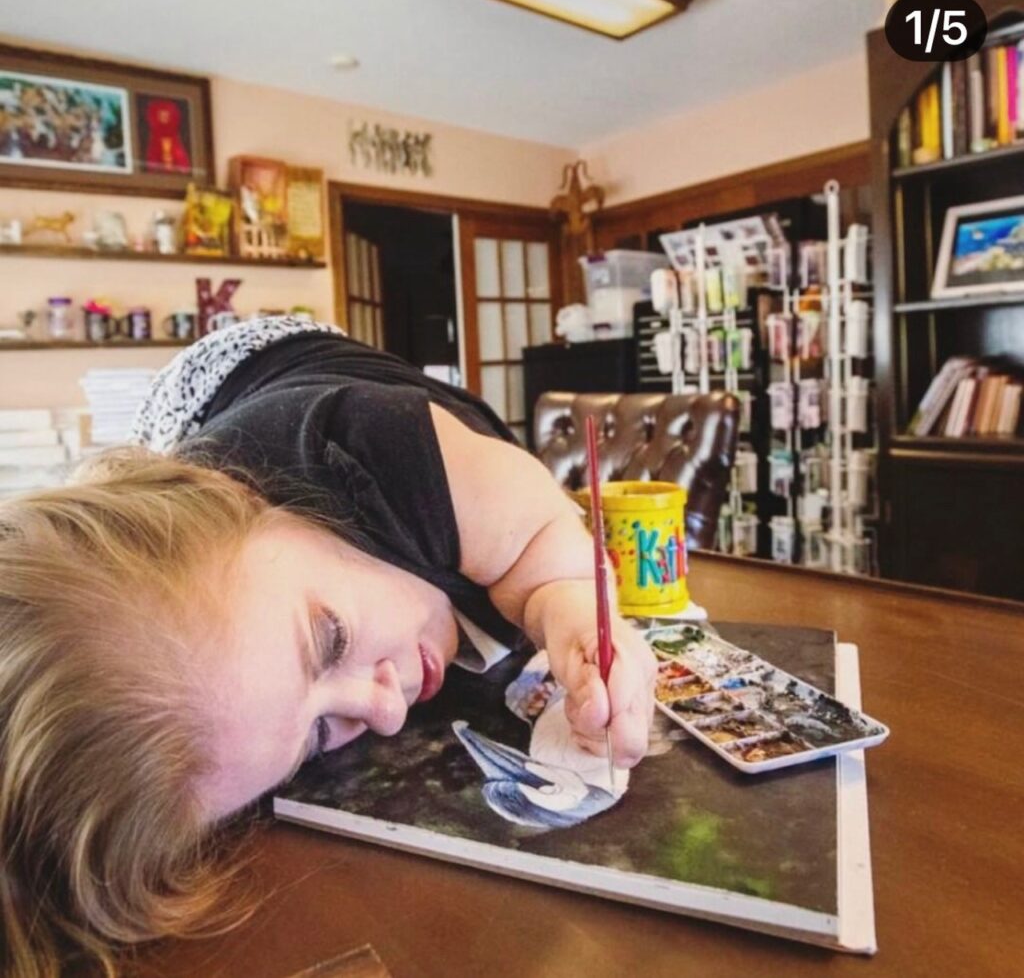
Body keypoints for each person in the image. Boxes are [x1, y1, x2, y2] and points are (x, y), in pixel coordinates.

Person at [0, 316, 656, 978]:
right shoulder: (243, 680)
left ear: (246, 500)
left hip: (244, 369)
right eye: (318, 735)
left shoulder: (387, 448)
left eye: (332, 638)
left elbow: (548, 551)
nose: (387, 711)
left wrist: (574, 610)